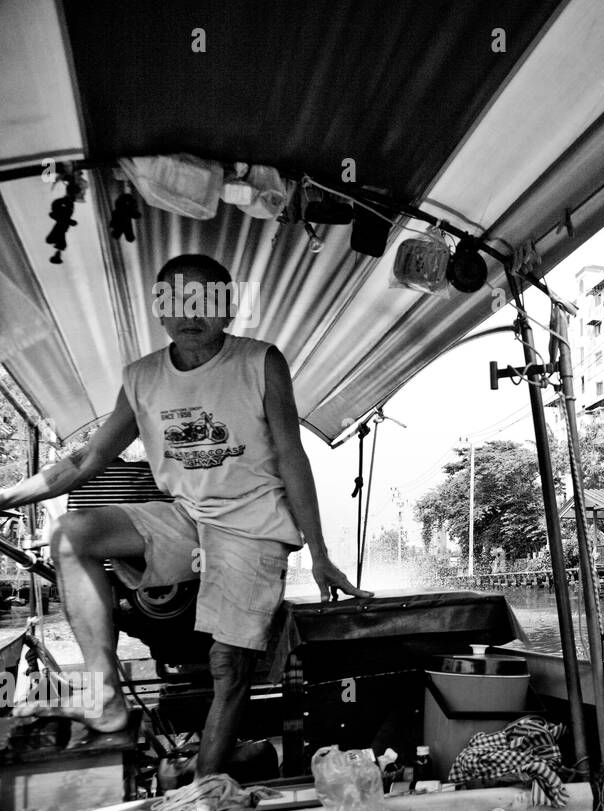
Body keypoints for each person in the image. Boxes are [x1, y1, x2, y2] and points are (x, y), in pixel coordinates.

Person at [0, 254, 371, 776]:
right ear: (160, 309)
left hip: (253, 525)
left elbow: (292, 455)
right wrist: (6, 497)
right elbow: (87, 459)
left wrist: (320, 553)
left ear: (228, 308)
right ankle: (106, 697)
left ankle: (202, 789)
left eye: (204, 299)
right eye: (175, 298)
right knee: (70, 534)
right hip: (187, 518)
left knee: (229, 664)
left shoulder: (260, 361)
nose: (188, 312)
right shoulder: (142, 377)